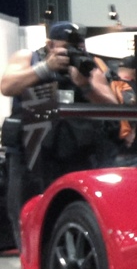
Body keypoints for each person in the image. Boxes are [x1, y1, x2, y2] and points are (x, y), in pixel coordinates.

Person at [1, 21, 118, 249]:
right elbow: (7, 86)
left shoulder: (88, 66)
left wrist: (85, 86)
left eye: (78, 47)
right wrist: (46, 67)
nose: (72, 52)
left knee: (75, 213)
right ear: (50, 45)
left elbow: (113, 106)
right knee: (27, 214)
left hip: (75, 153)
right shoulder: (29, 57)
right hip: (30, 152)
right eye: (66, 48)